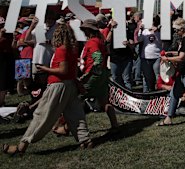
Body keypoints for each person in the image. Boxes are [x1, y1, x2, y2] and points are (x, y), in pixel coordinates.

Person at [2, 23, 92, 156]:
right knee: (76, 114)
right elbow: (70, 71)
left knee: (41, 115)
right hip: (70, 85)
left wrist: (45, 69)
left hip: (58, 85)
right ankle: (85, 140)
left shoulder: (62, 50)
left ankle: (20, 148)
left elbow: (63, 70)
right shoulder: (72, 49)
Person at [79, 19, 119, 131]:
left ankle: (69, 127)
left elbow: (98, 58)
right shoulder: (99, 40)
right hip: (103, 74)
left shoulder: (92, 42)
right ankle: (115, 125)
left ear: (88, 30)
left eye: (84, 29)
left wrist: (88, 74)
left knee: (76, 99)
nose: (83, 32)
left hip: (94, 76)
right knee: (105, 101)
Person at [137, 15, 162, 92]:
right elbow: (139, 40)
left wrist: (157, 32)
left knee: (157, 75)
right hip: (145, 56)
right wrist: (140, 30)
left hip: (157, 56)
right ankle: (146, 92)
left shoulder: (159, 30)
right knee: (146, 76)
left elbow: (161, 42)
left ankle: (159, 92)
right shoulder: (144, 31)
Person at [0, 17, 14, 107]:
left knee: (4, 81)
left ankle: (1, 101)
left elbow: (12, 46)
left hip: (6, 58)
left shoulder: (8, 35)